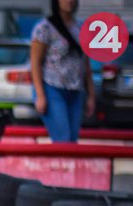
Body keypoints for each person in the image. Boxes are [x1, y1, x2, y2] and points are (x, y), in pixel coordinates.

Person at [30, 0, 95, 142]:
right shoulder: (44, 28)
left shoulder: (81, 28)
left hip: (75, 89)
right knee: (62, 137)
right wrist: (40, 95)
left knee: (73, 138)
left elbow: (85, 64)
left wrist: (91, 95)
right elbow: (35, 63)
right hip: (52, 88)